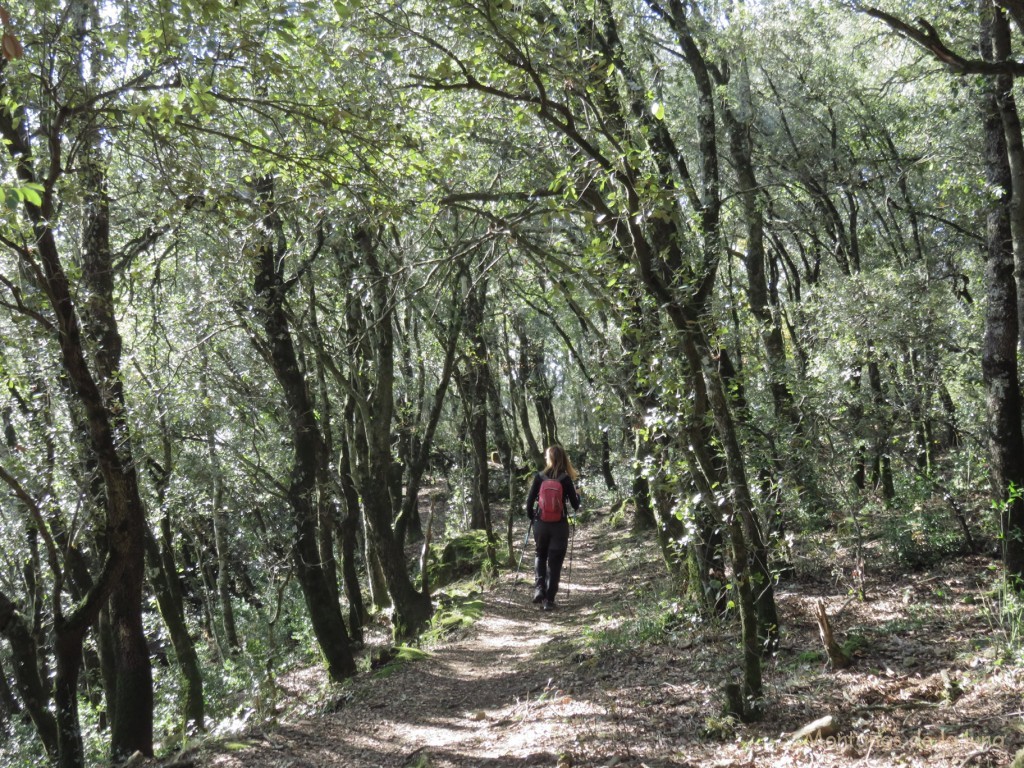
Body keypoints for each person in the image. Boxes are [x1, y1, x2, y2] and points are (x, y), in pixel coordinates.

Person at [525, 445, 580, 610]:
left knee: (540, 555)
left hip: (540, 524)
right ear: (563, 458)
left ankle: (539, 589)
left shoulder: (539, 477)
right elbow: (575, 505)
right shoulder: (565, 479)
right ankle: (549, 600)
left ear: (548, 458)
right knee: (555, 562)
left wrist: (534, 518)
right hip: (559, 526)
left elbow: (529, 504)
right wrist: (577, 495)